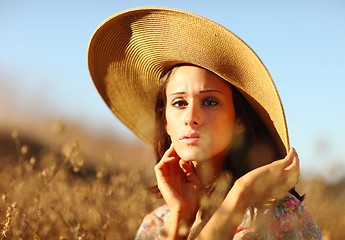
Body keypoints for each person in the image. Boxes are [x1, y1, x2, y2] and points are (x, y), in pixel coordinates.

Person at [87, 6, 322, 240]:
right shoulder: (156, 225)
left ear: (238, 121)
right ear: (165, 122)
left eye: (210, 102)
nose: (191, 117)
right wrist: (181, 216)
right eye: (179, 103)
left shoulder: (280, 216)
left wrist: (241, 193)